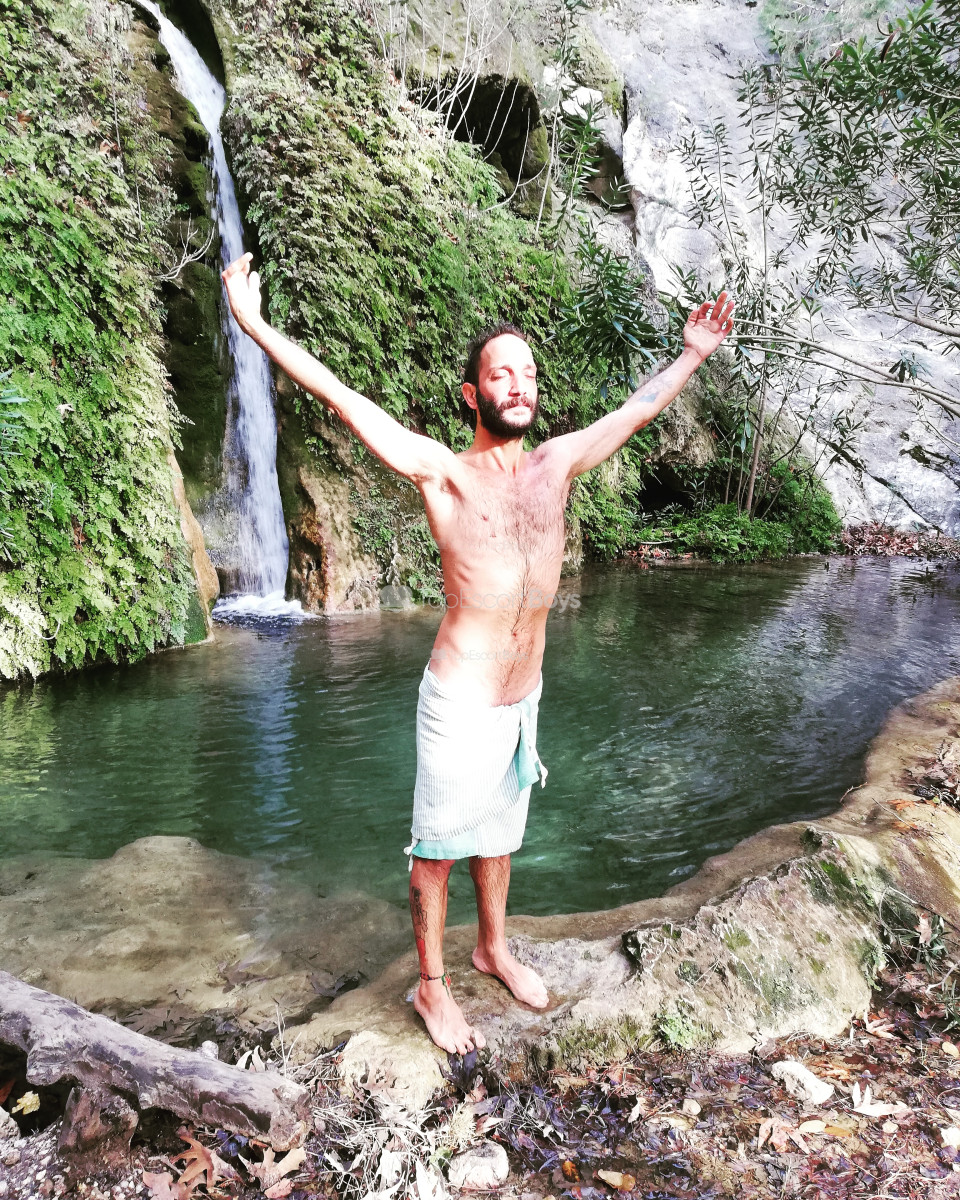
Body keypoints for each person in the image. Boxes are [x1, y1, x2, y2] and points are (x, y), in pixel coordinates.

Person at [221, 252, 734, 1054]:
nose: (519, 386)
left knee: (499, 837)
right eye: (501, 375)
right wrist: (254, 325)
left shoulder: (555, 464)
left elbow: (635, 412)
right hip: (460, 701)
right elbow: (344, 398)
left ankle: (493, 948)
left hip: (521, 697)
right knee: (438, 854)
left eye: (527, 374)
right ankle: (432, 986)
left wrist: (693, 355)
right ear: (473, 394)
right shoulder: (444, 473)